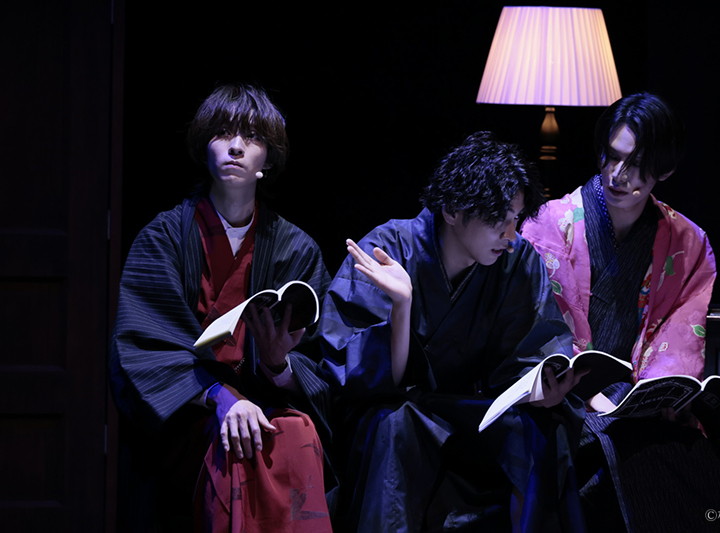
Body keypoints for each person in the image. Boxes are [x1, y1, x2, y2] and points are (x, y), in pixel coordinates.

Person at [520, 92, 720, 532]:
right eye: (612, 156)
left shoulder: (687, 242)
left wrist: (660, 398)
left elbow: (680, 334)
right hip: (566, 402)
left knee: (695, 460)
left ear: (665, 170)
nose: (618, 174)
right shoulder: (547, 225)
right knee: (630, 459)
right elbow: (539, 330)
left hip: (635, 399)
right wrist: (589, 396)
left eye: (636, 164)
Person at [318, 131, 588, 532]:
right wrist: (402, 306)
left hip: (474, 409)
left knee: (542, 430)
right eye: (498, 219)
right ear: (451, 211)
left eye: (515, 219)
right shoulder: (389, 249)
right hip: (399, 408)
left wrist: (545, 387)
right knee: (394, 426)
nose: (510, 235)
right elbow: (367, 378)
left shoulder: (517, 261)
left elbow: (532, 353)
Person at [109, 83, 335, 532]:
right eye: (223, 133)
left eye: (251, 137)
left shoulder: (296, 248)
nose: (235, 146)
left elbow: (323, 361)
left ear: (268, 158)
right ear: (204, 147)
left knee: (297, 431)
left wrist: (279, 365)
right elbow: (143, 345)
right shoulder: (164, 238)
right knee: (234, 437)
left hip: (265, 403)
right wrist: (222, 397)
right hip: (187, 413)